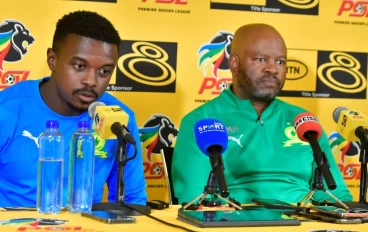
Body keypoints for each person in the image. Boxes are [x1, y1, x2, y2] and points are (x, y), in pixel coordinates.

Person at [172, 23, 352, 204]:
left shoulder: (304, 122)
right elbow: (195, 202)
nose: (272, 69)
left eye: (280, 62)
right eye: (260, 60)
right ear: (234, 64)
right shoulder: (201, 122)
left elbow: (336, 196)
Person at [0, 11, 147, 207]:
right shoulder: (7, 110)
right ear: (52, 60)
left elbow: (131, 202)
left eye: (104, 71)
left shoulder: (119, 119)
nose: (91, 81)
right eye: (79, 66)